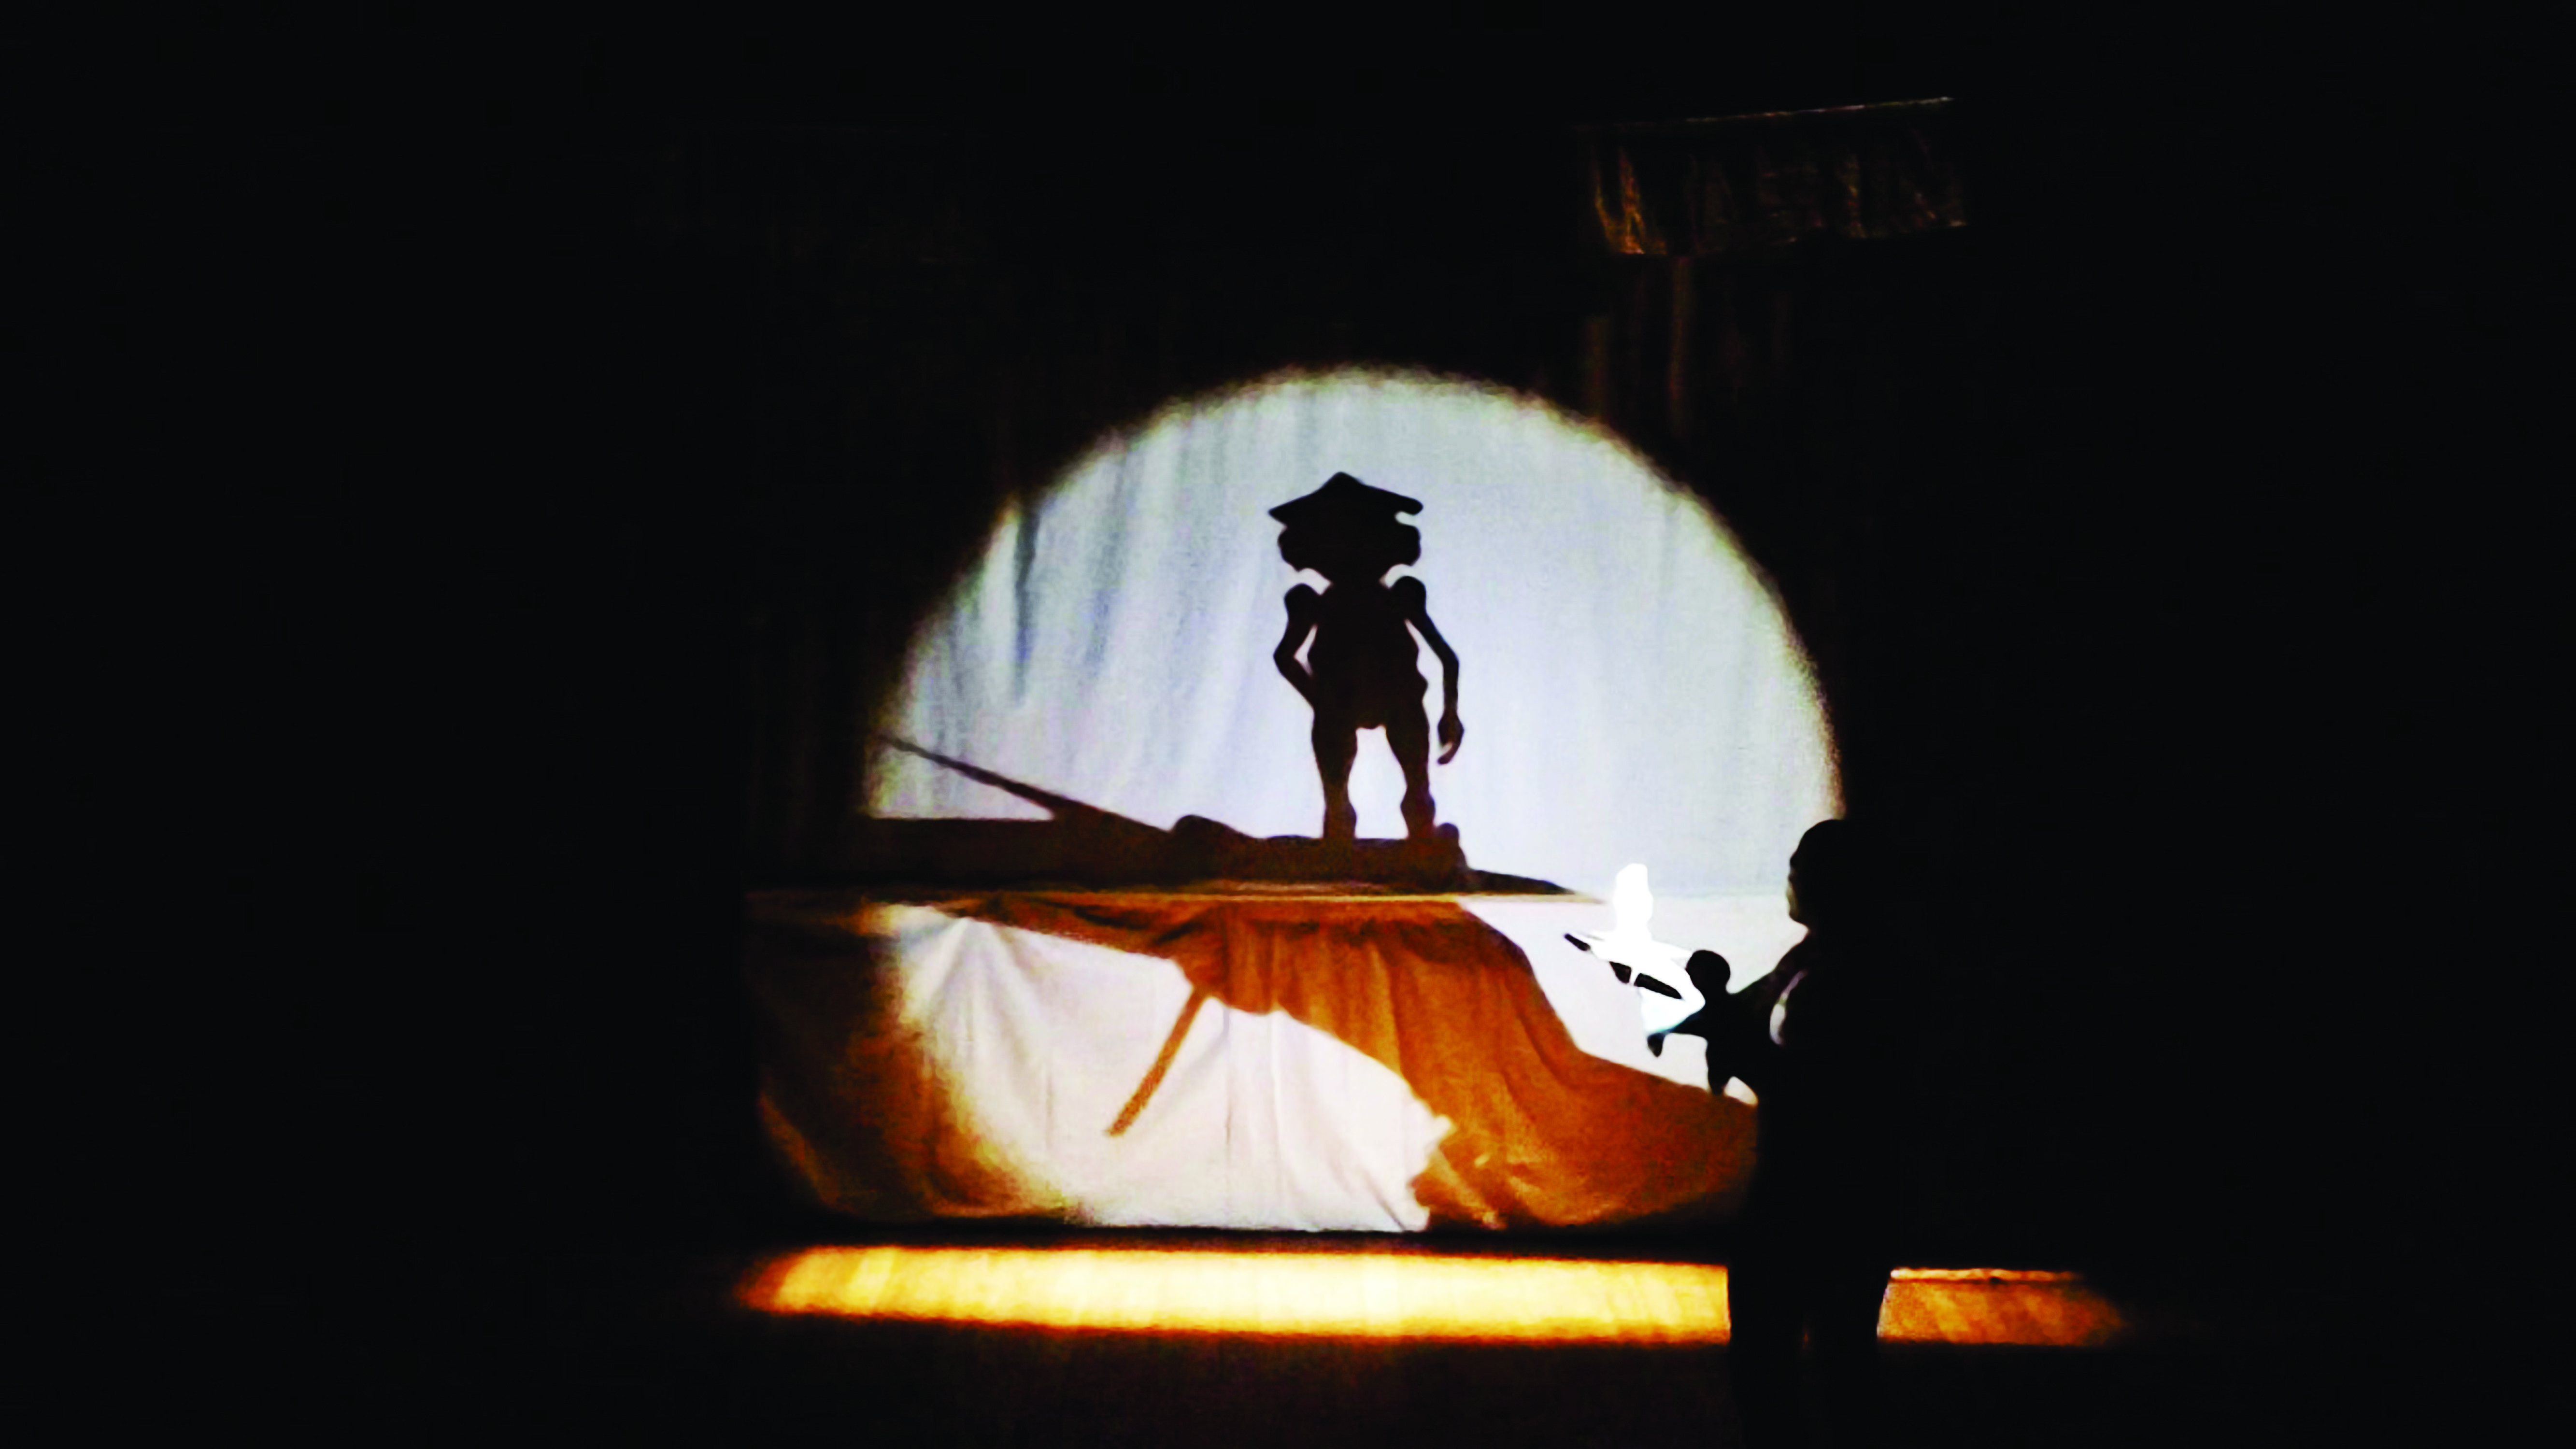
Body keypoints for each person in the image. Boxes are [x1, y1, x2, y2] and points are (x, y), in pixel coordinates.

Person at [1704, 819, 1914, 1448]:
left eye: (1802, 867)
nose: (1790, 877)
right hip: (1827, 1184)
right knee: (1832, 1354)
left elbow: (1813, 1089)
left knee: (1787, 1355)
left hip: (1818, 1187)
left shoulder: (1847, 977)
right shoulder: (1817, 958)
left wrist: (1733, 1042)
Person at [1268, 472, 1464, 842]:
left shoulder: (1400, 596)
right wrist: (1321, 702)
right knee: (1339, 797)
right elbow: (1284, 657)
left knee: (1416, 787)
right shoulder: (1315, 603)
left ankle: (1419, 842)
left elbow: (1448, 658)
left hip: (1398, 699)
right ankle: (1344, 843)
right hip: (1356, 702)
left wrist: (1450, 714)